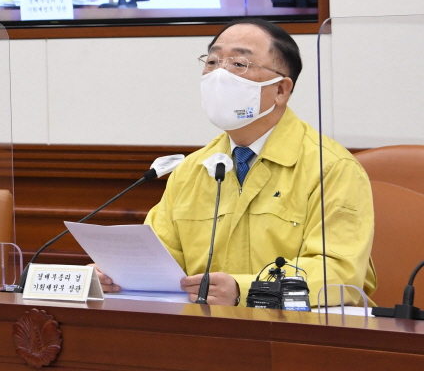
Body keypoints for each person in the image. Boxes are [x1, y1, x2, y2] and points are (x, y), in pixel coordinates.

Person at [99, 18, 376, 306]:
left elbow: (341, 275)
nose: (220, 74)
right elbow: (159, 262)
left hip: (300, 335)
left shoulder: (331, 167)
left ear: (281, 90)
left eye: (239, 64)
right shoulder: (192, 169)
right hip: (209, 334)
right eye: (212, 61)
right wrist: (116, 276)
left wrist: (246, 290)